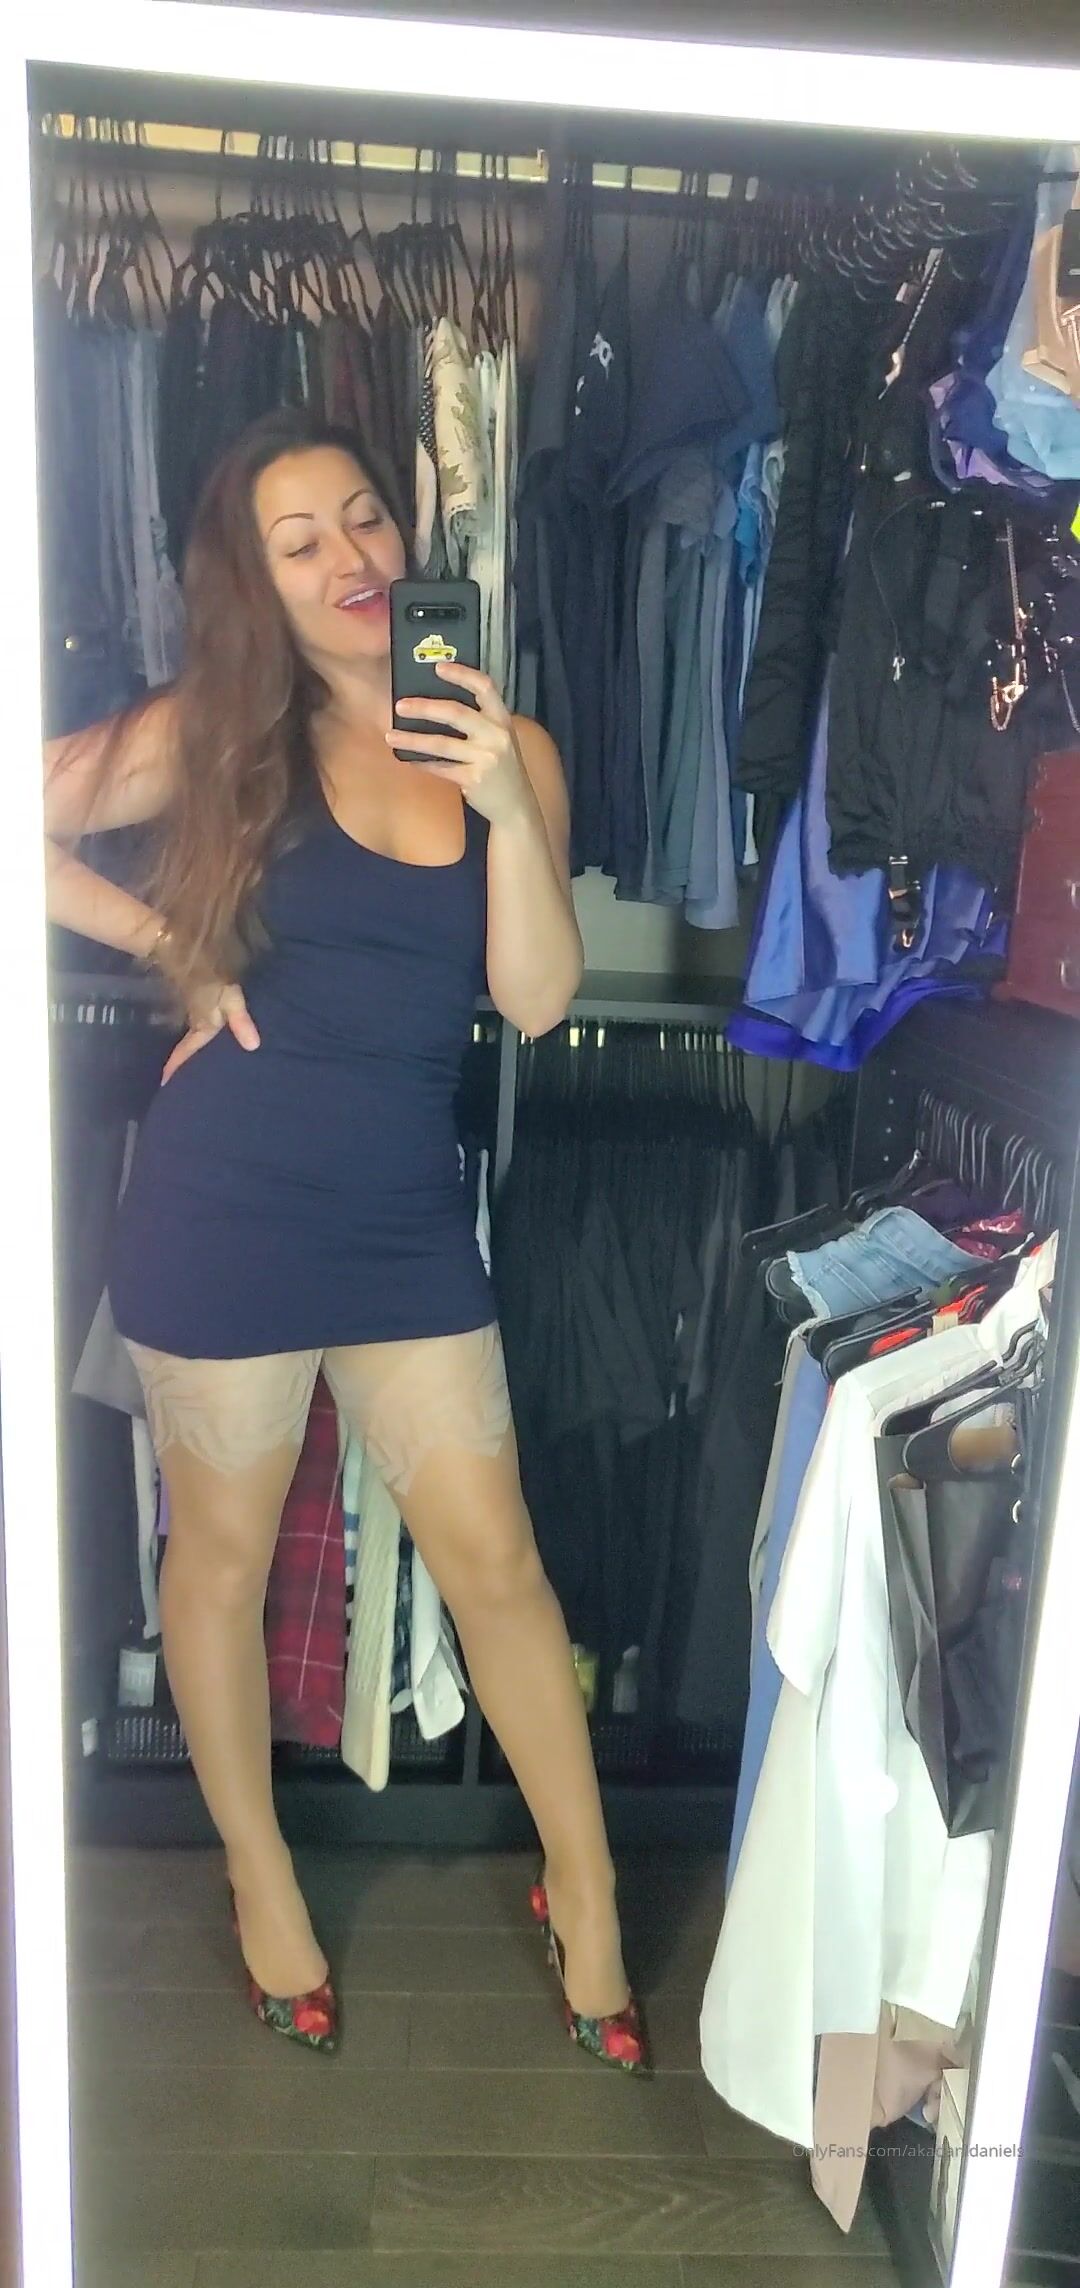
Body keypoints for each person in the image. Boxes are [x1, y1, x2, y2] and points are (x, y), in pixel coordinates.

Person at [44, 408, 646, 2071]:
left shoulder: (509, 744)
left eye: (366, 518)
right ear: (258, 579)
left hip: (398, 1220)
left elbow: (537, 999)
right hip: (221, 1207)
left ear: (410, 533)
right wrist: (170, 942)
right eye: (299, 541)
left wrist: (503, 802)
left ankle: (588, 1889)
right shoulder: (218, 730)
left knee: (498, 1566)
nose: (350, 559)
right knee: (220, 1568)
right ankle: (261, 1879)